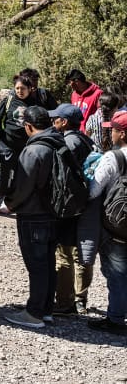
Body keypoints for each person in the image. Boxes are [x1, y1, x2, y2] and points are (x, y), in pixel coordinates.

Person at [4, 105, 63, 328]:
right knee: (48, 263)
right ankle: (46, 309)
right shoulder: (59, 143)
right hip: (54, 213)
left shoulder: (33, 151)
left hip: (33, 215)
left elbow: (23, 186)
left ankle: (34, 313)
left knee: (36, 265)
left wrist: (10, 205)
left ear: (28, 126)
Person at [80, 110, 127, 334]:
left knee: (117, 274)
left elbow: (93, 191)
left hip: (116, 227)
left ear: (123, 134)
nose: (111, 134)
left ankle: (116, 319)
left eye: (114, 130)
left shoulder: (113, 158)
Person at [49, 103, 96, 315]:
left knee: (64, 254)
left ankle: (64, 303)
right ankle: (80, 300)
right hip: (85, 205)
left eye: (56, 118)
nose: (53, 121)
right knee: (81, 255)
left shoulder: (67, 143)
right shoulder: (85, 139)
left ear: (64, 122)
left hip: (69, 208)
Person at [0, 74, 36, 157]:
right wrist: (0, 141)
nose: (20, 91)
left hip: (27, 147)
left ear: (29, 89)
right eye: (17, 88)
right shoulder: (8, 101)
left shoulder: (35, 104)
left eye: (23, 88)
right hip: (8, 146)